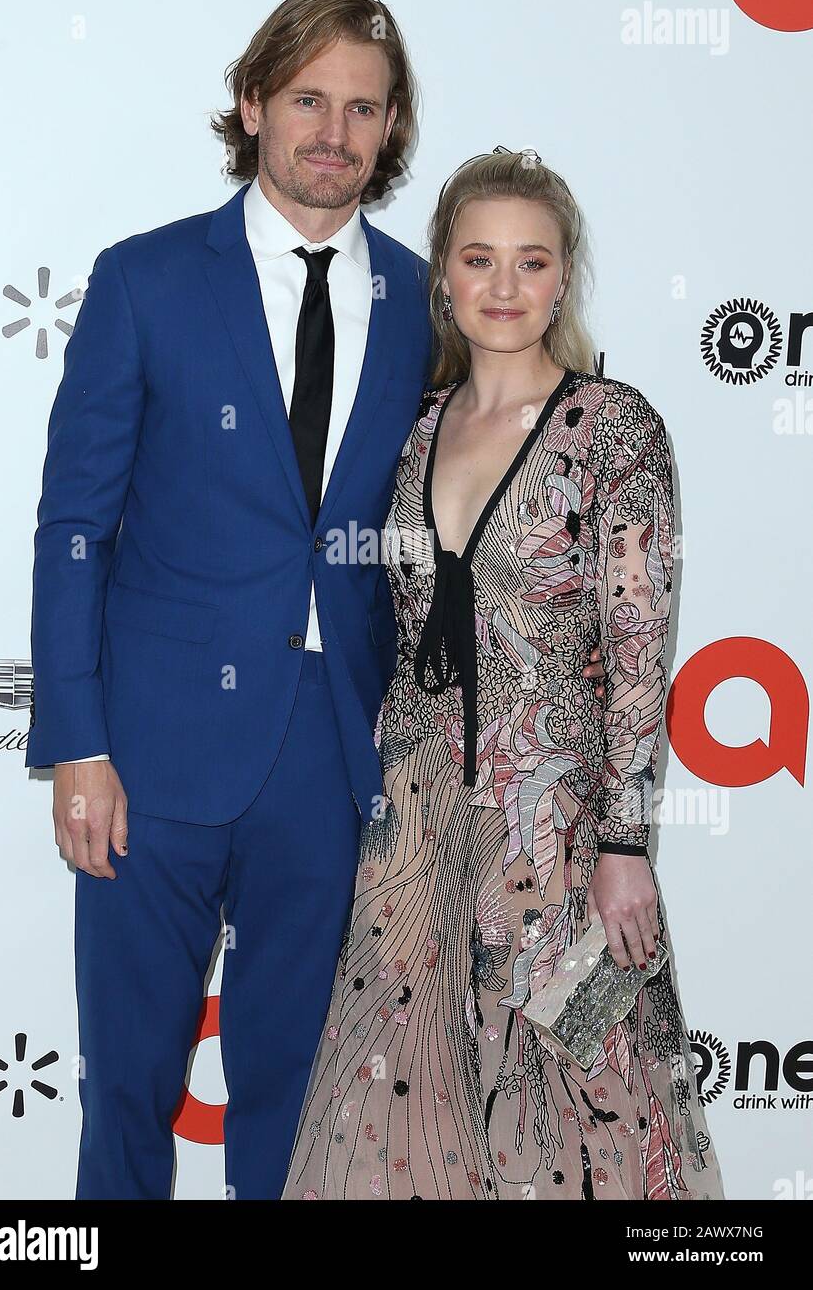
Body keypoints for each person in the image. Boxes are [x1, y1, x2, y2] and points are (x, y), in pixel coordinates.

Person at [24, 0, 607, 1200]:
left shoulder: (425, 304)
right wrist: (75, 742)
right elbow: (74, 527)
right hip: (149, 748)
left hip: (337, 754)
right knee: (126, 1082)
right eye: (307, 100)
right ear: (252, 105)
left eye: (362, 108)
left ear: (389, 130)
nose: (333, 131)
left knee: (299, 1097)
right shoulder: (143, 280)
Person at [282, 148, 725, 1200]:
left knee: (592, 1092)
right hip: (417, 828)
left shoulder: (614, 428)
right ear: (443, 273)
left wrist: (625, 842)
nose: (503, 286)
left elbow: (635, 651)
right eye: (478, 259)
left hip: (559, 831)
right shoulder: (416, 429)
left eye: (530, 262)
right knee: (405, 1096)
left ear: (561, 277)